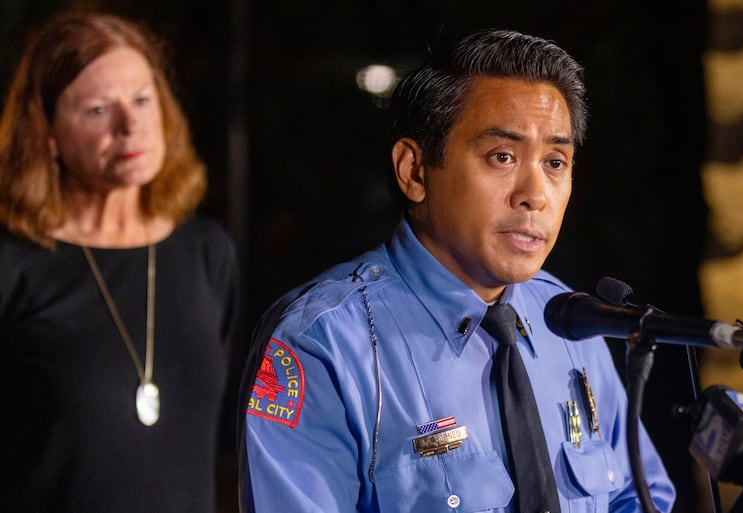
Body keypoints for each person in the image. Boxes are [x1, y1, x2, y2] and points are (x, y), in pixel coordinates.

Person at [239, 29, 676, 512]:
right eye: (502, 156)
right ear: (415, 170)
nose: (535, 194)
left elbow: (639, 495)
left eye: (555, 161)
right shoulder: (325, 344)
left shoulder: (570, 321)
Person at [0, 12, 240, 512]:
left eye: (141, 99)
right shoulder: (14, 265)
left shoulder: (206, 251)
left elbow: (228, 445)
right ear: (46, 133)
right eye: (97, 110)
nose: (130, 126)